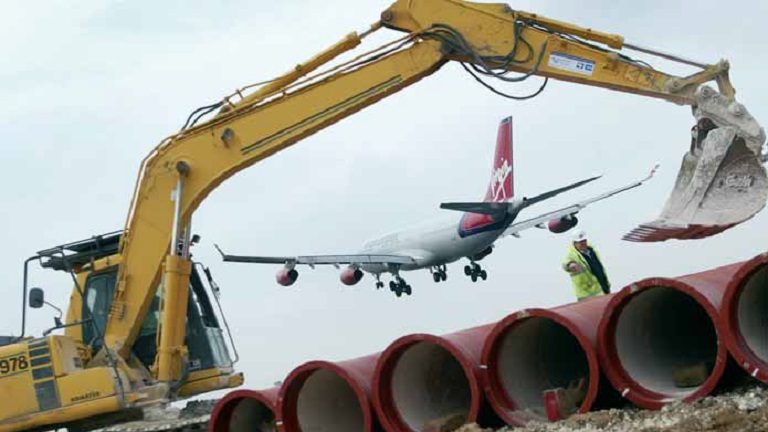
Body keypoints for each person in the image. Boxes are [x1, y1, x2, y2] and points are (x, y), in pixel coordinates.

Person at [562, 230, 610, 301]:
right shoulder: (572, 255)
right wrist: (570, 264)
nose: (583, 243)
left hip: (603, 289)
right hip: (586, 295)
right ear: (574, 243)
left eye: (584, 241)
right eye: (580, 242)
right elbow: (565, 264)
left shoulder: (592, 251)